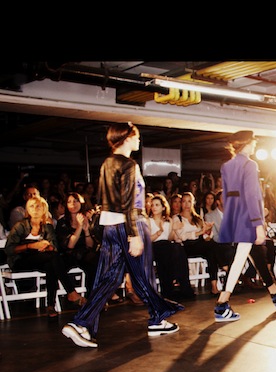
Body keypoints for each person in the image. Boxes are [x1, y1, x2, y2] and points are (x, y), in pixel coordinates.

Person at [61, 122, 183, 348]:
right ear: (126, 138)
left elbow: (109, 200)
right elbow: (129, 202)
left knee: (111, 277)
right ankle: (157, 319)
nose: (139, 140)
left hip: (110, 226)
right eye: (136, 136)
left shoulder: (107, 163)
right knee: (143, 275)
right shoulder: (129, 164)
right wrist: (134, 234)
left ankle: (80, 323)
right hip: (130, 224)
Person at [213, 130, 276, 322]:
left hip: (235, 216)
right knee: (239, 259)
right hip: (248, 218)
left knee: (257, 254)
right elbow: (251, 195)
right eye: (253, 141)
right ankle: (222, 304)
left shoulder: (227, 166)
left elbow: (227, 196)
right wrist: (258, 223)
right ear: (247, 143)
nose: (255, 144)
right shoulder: (250, 164)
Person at [4, 195, 87, 317]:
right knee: (53, 258)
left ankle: (50, 306)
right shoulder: (20, 226)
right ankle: (71, 293)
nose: (35, 209)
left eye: (38, 206)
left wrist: (48, 247)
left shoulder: (47, 226)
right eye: (32, 206)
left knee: (51, 264)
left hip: (41, 259)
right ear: (27, 209)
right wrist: (31, 246)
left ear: (43, 208)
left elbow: (54, 247)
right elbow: (9, 249)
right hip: (20, 260)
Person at [172, 190, 221, 295]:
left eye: (189, 201)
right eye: (184, 201)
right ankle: (224, 265)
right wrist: (200, 232)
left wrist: (208, 231)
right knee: (210, 247)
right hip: (185, 246)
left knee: (211, 247)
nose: (186, 204)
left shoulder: (197, 218)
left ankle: (214, 286)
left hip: (198, 243)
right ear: (181, 203)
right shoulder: (177, 218)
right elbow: (182, 236)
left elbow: (205, 236)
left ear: (193, 203)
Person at [148, 192, 195, 301]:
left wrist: (174, 229)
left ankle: (184, 286)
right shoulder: (148, 220)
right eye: (152, 205)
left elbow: (170, 238)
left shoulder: (168, 220)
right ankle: (169, 289)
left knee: (178, 247)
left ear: (163, 207)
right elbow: (148, 240)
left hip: (166, 245)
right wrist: (158, 232)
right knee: (166, 249)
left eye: (157, 205)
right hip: (154, 246)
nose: (154, 207)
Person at [55, 192, 100, 294]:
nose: (73, 204)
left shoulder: (88, 219)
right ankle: (72, 294)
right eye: (69, 202)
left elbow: (90, 246)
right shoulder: (62, 222)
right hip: (68, 254)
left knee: (94, 260)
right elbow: (70, 245)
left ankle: (92, 296)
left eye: (76, 201)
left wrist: (86, 230)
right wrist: (79, 227)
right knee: (58, 263)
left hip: (83, 253)